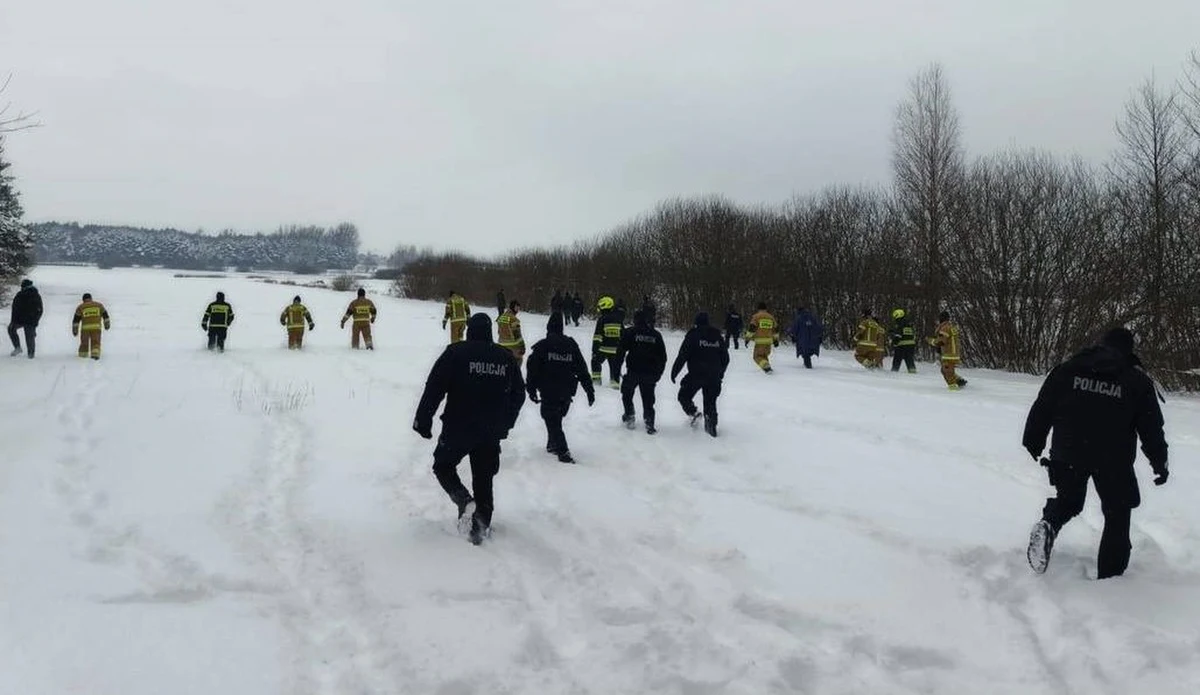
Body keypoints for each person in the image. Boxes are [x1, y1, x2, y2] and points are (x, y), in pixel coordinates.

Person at [1022, 327, 1168, 579]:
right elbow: (1151, 427)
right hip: (1114, 460)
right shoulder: (1136, 381)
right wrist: (1159, 462)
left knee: (1068, 500)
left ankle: (1049, 524)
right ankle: (1110, 580)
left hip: (1067, 452)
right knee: (1117, 513)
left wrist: (1033, 440)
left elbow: (1043, 406)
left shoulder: (1068, 370)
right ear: (1128, 350)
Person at [412, 313, 526, 545]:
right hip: (490, 430)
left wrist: (423, 420)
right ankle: (480, 526)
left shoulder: (455, 353)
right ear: (489, 333)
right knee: (484, 478)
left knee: (443, 466)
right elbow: (519, 394)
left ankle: (464, 500)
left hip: (458, 426)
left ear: (469, 331)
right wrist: (507, 421)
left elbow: (434, 387)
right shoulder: (504, 358)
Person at [526, 311, 596, 463]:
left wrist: (530, 388)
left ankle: (563, 451)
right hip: (566, 393)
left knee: (551, 419)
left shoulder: (543, 346)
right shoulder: (571, 345)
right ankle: (552, 444)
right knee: (555, 419)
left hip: (549, 391)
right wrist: (589, 390)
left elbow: (532, 368)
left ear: (548, 328)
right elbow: (582, 369)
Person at [670, 312, 729, 437]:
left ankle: (694, 414)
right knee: (710, 402)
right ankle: (711, 429)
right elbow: (725, 358)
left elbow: (683, 355)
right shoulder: (717, 336)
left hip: (696, 375)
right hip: (713, 376)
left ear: (696, 323)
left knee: (683, 396)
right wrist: (720, 373)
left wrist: (674, 372)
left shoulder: (693, 335)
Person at [615, 309, 667, 434]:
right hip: (650, 374)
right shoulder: (656, 335)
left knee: (627, 393)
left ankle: (629, 414)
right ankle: (649, 422)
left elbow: (620, 351)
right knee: (648, 399)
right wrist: (658, 373)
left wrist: (616, 369)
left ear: (635, 320)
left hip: (633, 371)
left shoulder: (630, 332)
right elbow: (663, 357)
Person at [927, 310, 967, 390]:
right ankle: (959, 380)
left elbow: (941, 341)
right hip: (953, 353)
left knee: (947, 371)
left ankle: (953, 389)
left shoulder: (945, 328)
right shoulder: (951, 326)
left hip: (949, 354)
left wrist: (930, 341)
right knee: (944, 370)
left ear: (941, 318)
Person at [590, 296, 624, 386]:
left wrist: (594, 351)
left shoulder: (602, 319)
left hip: (603, 349)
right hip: (616, 350)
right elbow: (623, 334)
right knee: (615, 367)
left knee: (595, 361)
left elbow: (598, 336)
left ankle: (596, 381)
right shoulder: (619, 319)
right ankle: (615, 383)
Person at [8, 278, 42, 359]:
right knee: (11, 329)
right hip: (20, 319)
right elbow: (15, 308)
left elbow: (39, 309)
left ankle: (30, 353)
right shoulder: (20, 294)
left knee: (29, 335)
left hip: (29, 320)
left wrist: (35, 321)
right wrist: (13, 320)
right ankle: (19, 348)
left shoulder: (34, 295)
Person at [71, 293, 110, 360]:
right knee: (95, 342)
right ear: (91, 298)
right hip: (96, 328)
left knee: (84, 343)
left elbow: (76, 321)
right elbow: (105, 316)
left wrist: (75, 331)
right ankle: (95, 354)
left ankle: (82, 355)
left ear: (83, 300)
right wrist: (107, 325)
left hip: (85, 329)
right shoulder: (99, 305)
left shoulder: (80, 307)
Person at [744, 302, 779, 373]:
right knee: (764, 356)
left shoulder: (756, 317)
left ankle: (766, 367)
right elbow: (776, 329)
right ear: (766, 309)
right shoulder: (771, 317)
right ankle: (768, 368)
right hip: (768, 341)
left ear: (758, 309)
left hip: (760, 341)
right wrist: (776, 340)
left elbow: (752, 328)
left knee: (757, 356)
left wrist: (747, 339)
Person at [497, 300, 526, 367]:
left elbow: (499, 332)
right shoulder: (513, 319)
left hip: (501, 346)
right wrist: (522, 346)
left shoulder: (502, 317)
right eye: (517, 308)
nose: (518, 310)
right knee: (517, 364)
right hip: (513, 348)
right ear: (514, 307)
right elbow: (517, 335)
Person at [889, 308, 917, 373]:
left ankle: (894, 372)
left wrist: (894, 343)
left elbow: (898, 335)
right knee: (909, 359)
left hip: (901, 345)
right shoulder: (909, 324)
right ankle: (912, 371)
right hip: (911, 346)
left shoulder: (899, 323)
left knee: (897, 360)